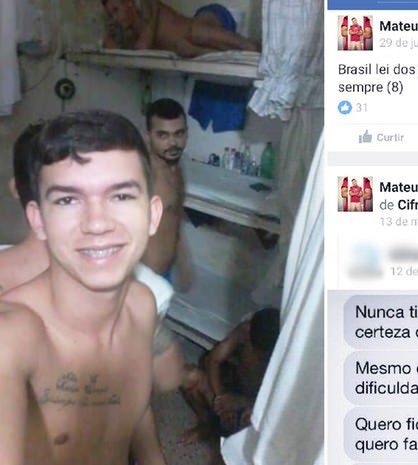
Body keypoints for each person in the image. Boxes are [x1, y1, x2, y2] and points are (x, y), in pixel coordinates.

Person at [0, 110, 166, 464]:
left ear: (153, 215)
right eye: (68, 200)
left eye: (121, 196)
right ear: (38, 221)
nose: (97, 223)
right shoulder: (11, 338)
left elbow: (134, 412)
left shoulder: (143, 304)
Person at [180, 307, 280, 464]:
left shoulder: (287, 355)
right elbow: (213, 360)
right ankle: (207, 424)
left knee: (232, 454)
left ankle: (228, 448)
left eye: (262, 356)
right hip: (233, 387)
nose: (256, 355)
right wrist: (221, 397)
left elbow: (280, 404)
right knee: (187, 376)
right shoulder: (245, 331)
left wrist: (244, 403)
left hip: (255, 406)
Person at [141, 98, 192, 290]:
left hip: (166, 273)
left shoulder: (176, 168)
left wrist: (183, 260)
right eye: (163, 135)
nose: (173, 143)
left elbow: (174, 217)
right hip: (144, 277)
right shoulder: (145, 175)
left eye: (179, 134)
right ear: (148, 136)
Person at [101, 0, 258, 58]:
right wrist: (108, 36)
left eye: (116, 10)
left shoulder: (148, 7)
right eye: (110, 15)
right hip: (193, 46)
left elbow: (141, 51)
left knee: (194, 32)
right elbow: (119, 56)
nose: (114, 18)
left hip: (210, 18)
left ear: (128, 3)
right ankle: (239, 52)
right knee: (186, 49)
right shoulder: (133, 34)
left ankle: (250, 45)